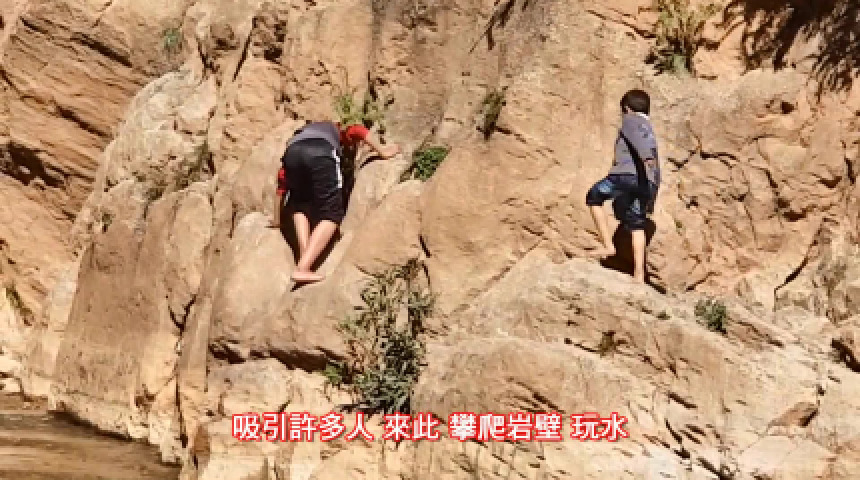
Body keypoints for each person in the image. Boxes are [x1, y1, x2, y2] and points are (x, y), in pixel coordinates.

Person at [270, 121, 400, 284]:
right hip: (321, 152)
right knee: (332, 213)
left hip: (292, 154)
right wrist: (383, 151)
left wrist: (277, 219)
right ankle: (302, 268)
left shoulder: (298, 137)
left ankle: (305, 255)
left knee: (299, 203)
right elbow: (357, 130)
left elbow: (281, 188)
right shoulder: (335, 130)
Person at [584, 89, 660, 283]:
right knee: (637, 223)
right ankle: (639, 274)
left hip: (625, 176)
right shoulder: (649, 128)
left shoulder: (631, 121)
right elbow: (653, 161)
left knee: (594, 196)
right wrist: (652, 193)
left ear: (627, 108)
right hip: (646, 182)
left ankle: (608, 245)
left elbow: (640, 142)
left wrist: (646, 157)